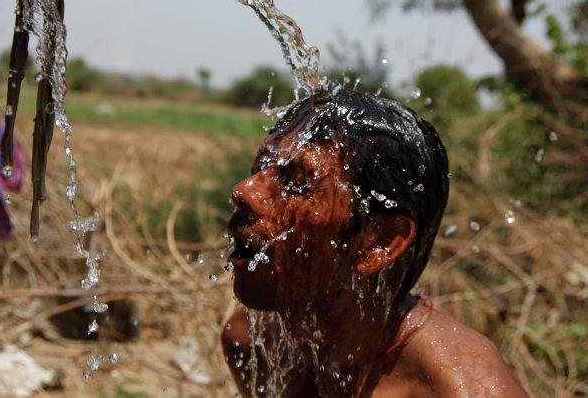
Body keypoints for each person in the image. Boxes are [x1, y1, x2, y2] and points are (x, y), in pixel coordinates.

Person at [221, 89, 528, 397]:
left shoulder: (463, 388)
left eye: (297, 182)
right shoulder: (253, 342)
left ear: (380, 243)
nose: (243, 191)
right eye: (261, 167)